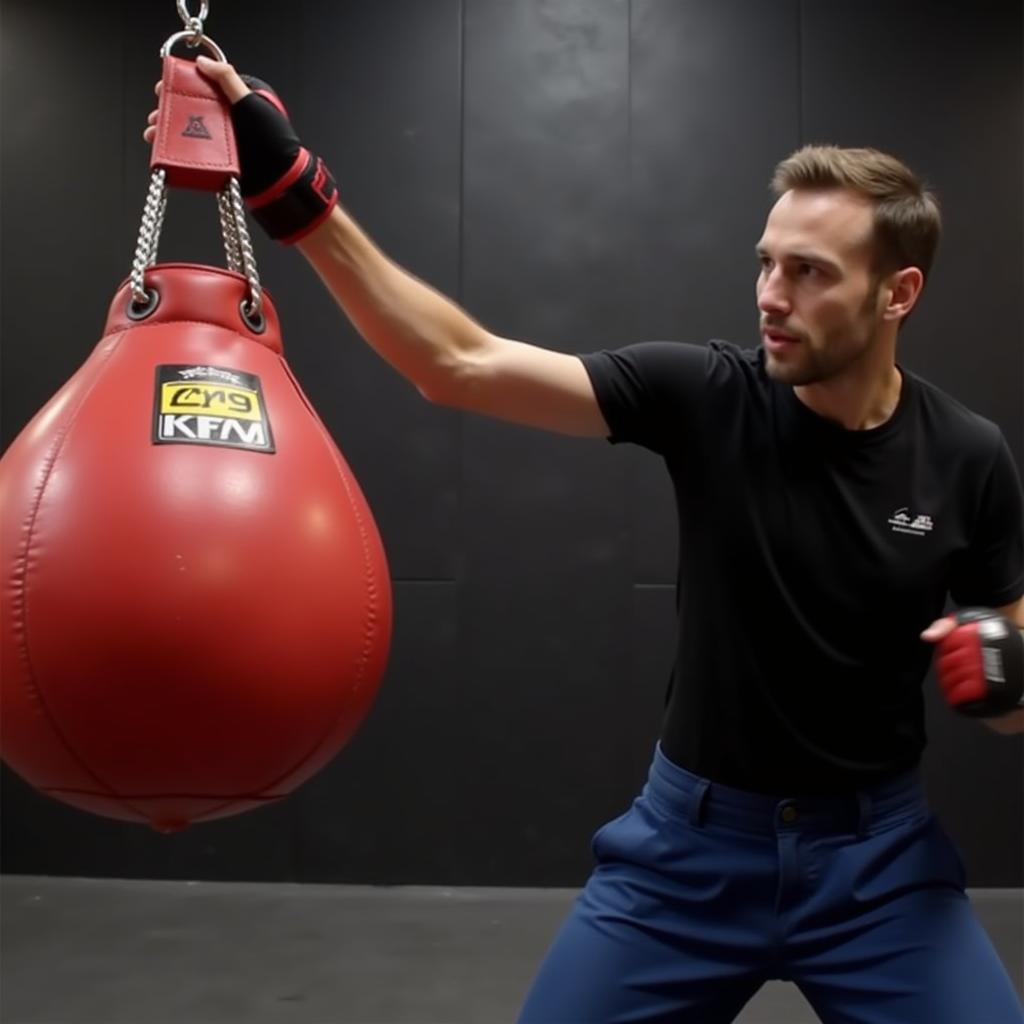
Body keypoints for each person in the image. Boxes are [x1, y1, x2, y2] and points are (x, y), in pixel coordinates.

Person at [145, 58, 1024, 1023]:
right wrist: (299, 204)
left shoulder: (968, 457)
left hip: (877, 867)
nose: (772, 294)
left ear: (897, 293)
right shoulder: (705, 397)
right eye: (766, 262)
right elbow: (459, 365)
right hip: (692, 853)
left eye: (811, 273)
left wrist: (1010, 679)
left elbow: (1018, 685)